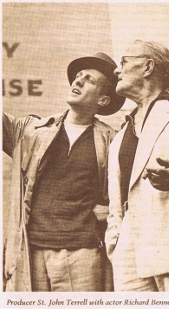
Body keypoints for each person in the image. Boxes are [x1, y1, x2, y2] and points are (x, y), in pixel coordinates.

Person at [3, 52, 125, 292]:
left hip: (84, 253)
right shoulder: (31, 131)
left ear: (103, 100)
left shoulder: (113, 140)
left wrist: (109, 208)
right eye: (78, 76)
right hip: (31, 252)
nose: (77, 81)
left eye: (89, 80)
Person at [105, 40, 169, 292]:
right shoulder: (122, 132)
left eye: (123, 62)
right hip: (129, 254)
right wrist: (116, 238)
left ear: (147, 66)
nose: (117, 70)